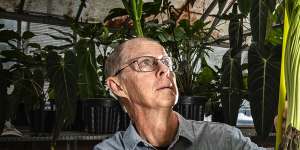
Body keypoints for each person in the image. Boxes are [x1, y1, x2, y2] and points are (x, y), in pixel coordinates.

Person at [93, 37, 264, 150]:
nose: (164, 70)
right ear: (117, 86)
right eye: (145, 62)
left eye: (166, 62)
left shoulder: (224, 141)